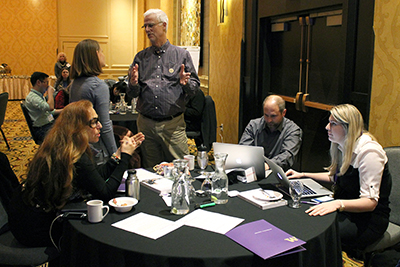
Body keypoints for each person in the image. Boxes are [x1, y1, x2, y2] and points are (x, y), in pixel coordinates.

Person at [8, 100, 145, 247]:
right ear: (77, 128)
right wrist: (125, 158)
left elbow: (93, 177)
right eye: (94, 122)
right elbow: (105, 193)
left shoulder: (65, 145)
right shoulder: (74, 156)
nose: (100, 126)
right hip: (39, 229)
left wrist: (117, 155)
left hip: (25, 220)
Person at [286, 104, 391, 258]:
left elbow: (370, 202)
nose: (327, 127)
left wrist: (337, 204)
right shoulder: (342, 145)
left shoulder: (369, 153)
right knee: (304, 219)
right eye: (329, 122)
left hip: (368, 221)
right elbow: (337, 177)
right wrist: (303, 175)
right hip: (346, 210)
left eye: (333, 124)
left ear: (349, 127)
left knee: (316, 233)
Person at [127, 9, 200, 168]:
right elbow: (132, 94)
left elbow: (194, 89)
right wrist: (132, 84)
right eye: (145, 26)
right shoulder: (140, 57)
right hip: (146, 125)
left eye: (151, 25)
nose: (147, 30)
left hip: (172, 126)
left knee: (181, 169)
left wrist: (185, 83)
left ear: (164, 25)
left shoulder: (181, 55)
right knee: (151, 172)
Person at [69, 39, 117, 164]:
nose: (104, 55)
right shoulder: (98, 86)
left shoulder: (75, 84)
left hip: (78, 144)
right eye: (102, 51)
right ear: (96, 55)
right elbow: (105, 125)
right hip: (96, 148)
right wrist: (115, 154)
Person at [239, 95, 302, 171]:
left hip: (278, 173)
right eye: (266, 115)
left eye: (273, 116)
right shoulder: (253, 125)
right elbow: (243, 149)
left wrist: (268, 165)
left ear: (283, 113)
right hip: (253, 170)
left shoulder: (293, 130)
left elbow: (287, 156)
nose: (269, 120)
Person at [25, 72, 62, 143]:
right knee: (66, 135)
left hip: (47, 124)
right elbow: (50, 107)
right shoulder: (33, 98)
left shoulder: (39, 95)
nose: (48, 86)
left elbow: (50, 112)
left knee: (68, 127)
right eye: (46, 82)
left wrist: (65, 109)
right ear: (38, 82)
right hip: (42, 129)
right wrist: (50, 93)